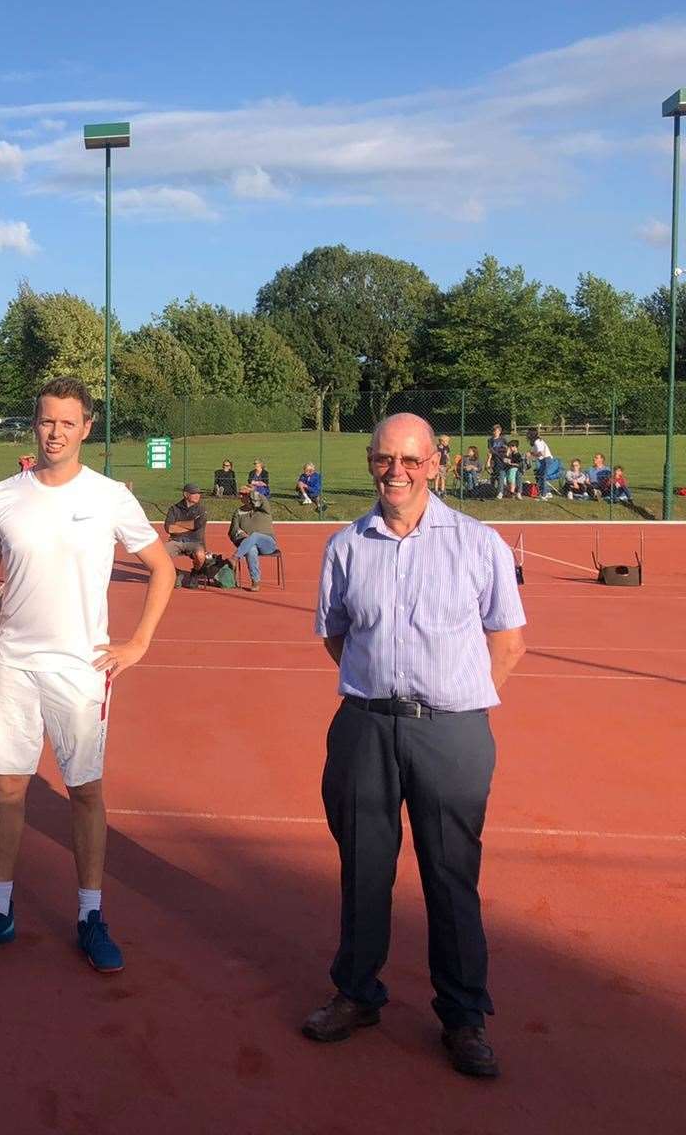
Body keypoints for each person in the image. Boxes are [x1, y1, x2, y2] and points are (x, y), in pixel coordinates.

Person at [305, 413, 525, 1079]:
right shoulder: (345, 546)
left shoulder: (477, 542)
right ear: (371, 463)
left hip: (451, 730)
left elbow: (508, 641)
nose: (394, 472)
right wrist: (381, 690)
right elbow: (335, 634)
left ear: (435, 464)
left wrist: (451, 699)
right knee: (364, 869)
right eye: (382, 459)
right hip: (365, 726)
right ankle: (357, 994)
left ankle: (463, 1017)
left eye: (409, 460)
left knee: (450, 875)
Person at [0, 376, 176, 973]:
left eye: (67, 423)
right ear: (35, 424)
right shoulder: (0, 497)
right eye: (47, 421)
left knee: (85, 792)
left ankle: (90, 915)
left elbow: (162, 568)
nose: (56, 432)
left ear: (86, 428)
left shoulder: (109, 496)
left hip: (81, 669)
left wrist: (138, 643)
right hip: (13, 664)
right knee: (6, 788)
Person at [228, 485, 277, 592]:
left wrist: (252, 491)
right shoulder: (238, 512)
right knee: (251, 549)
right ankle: (255, 581)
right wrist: (241, 534)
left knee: (255, 535)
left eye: (244, 494)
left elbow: (262, 499)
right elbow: (233, 531)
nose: (241, 496)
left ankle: (234, 558)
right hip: (248, 543)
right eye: (240, 494)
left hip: (268, 543)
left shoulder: (263, 508)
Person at [163, 483, 209, 573]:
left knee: (200, 556)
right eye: (194, 493)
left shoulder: (202, 509)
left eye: (199, 493)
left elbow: (197, 525)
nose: (197, 496)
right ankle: (175, 573)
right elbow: (169, 529)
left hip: (195, 542)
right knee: (160, 555)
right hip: (176, 541)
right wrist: (191, 526)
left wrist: (177, 524)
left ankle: (195, 573)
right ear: (185, 494)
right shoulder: (174, 509)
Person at [487, 425, 511, 497]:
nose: (495, 432)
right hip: (495, 460)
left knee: (501, 474)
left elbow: (509, 447)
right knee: (494, 475)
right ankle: (492, 490)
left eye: (497, 431)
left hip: (502, 459)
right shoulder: (490, 440)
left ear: (500, 432)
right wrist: (489, 460)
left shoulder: (503, 439)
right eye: (494, 431)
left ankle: (500, 491)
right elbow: (490, 450)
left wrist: (507, 454)